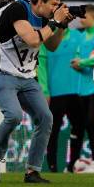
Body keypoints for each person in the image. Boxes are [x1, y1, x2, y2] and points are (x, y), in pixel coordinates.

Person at [0, 0, 73, 184]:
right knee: (13, 116)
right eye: (53, 4)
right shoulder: (18, 9)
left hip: (26, 77)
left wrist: (61, 26)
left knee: (46, 118)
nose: (55, 8)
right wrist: (54, 22)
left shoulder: (47, 18)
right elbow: (32, 40)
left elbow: (52, 45)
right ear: (39, 1)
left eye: (58, 4)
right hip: (0, 73)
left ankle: (32, 171)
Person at [39, 20, 84, 173]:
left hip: (76, 91)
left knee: (79, 127)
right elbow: (41, 67)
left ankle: (72, 165)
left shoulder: (78, 36)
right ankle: (53, 167)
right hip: (55, 92)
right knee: (53, 131)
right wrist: (44, 90)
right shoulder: (46, 39)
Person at [70, 5, 94, 173]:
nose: (81, 19)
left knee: (93, 121)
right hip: (82, 87)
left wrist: (82, 63)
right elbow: (78, 56)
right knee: (83, 124)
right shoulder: (82, 37)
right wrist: (77, 64)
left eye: (84, 17)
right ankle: (88, 161)